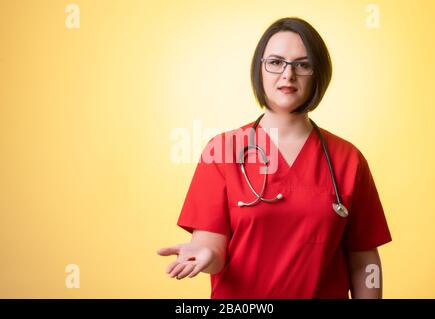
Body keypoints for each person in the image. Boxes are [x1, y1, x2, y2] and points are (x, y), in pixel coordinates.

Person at [157, 17, 392, 299]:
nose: (288, 75)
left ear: (318, 73)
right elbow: (213, 247)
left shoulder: (349, 161)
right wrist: (204, 253)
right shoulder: (221, 152)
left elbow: (364, 260)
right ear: (260, 70)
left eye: (303, 64)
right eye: (276, 62)